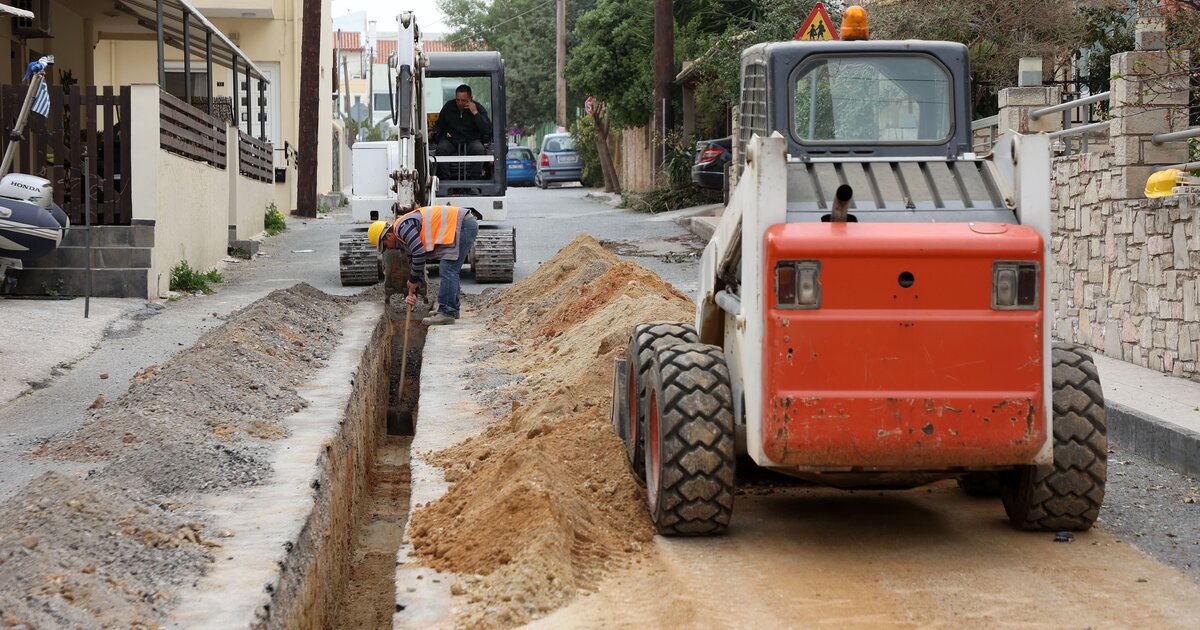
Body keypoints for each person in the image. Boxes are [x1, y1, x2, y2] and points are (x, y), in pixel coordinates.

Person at [369, 205, 479, 326]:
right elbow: (416, 265)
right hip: (460, 226)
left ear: (389, 236)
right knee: (449, 268)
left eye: (385, 246)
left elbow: (419, 254)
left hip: (462, 225)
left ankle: (447, 312)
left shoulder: (403, 228)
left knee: (448, 268)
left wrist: (412, 280)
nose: (388, 249)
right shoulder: (403, 241)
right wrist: (414, 292)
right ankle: (451, 310)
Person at [431, 84, 492, 181]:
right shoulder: (448, 107)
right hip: (451, 140)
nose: (460, 103)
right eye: (458, 100)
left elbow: (487, 129)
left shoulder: (478, 108)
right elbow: (439, 124)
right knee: (441, 149)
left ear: (470, 99)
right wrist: (434, 132)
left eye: (463, 100)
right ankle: (444, 181)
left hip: (471, 140)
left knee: (479, 149)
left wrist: (475, 113)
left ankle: (475, 181)